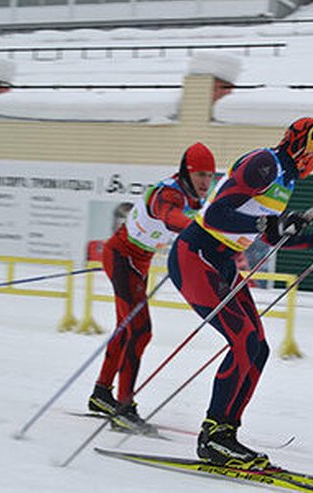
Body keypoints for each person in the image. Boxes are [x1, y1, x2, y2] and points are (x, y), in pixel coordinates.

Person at [167, 117, 313, 470]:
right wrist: (267, 224)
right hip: (196, 257)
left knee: (259, 346)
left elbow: (270, 236)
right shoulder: (264, 163)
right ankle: (213, 437)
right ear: (309, 149)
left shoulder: (284, 180)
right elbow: (215, 215)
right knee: (242, 340)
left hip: (221, 263)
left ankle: (226, 432)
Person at [88, 142, 216, 434]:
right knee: (141, 331)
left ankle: (102, 394)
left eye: (210, 176)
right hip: (122, 257)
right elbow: (169, 215)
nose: (205, 183)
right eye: (200, 176)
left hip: (139, 261)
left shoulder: (196, 197)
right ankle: (123, 407)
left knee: (127, 328)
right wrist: (193, 228)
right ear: (187, 172)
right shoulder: (167, 192)